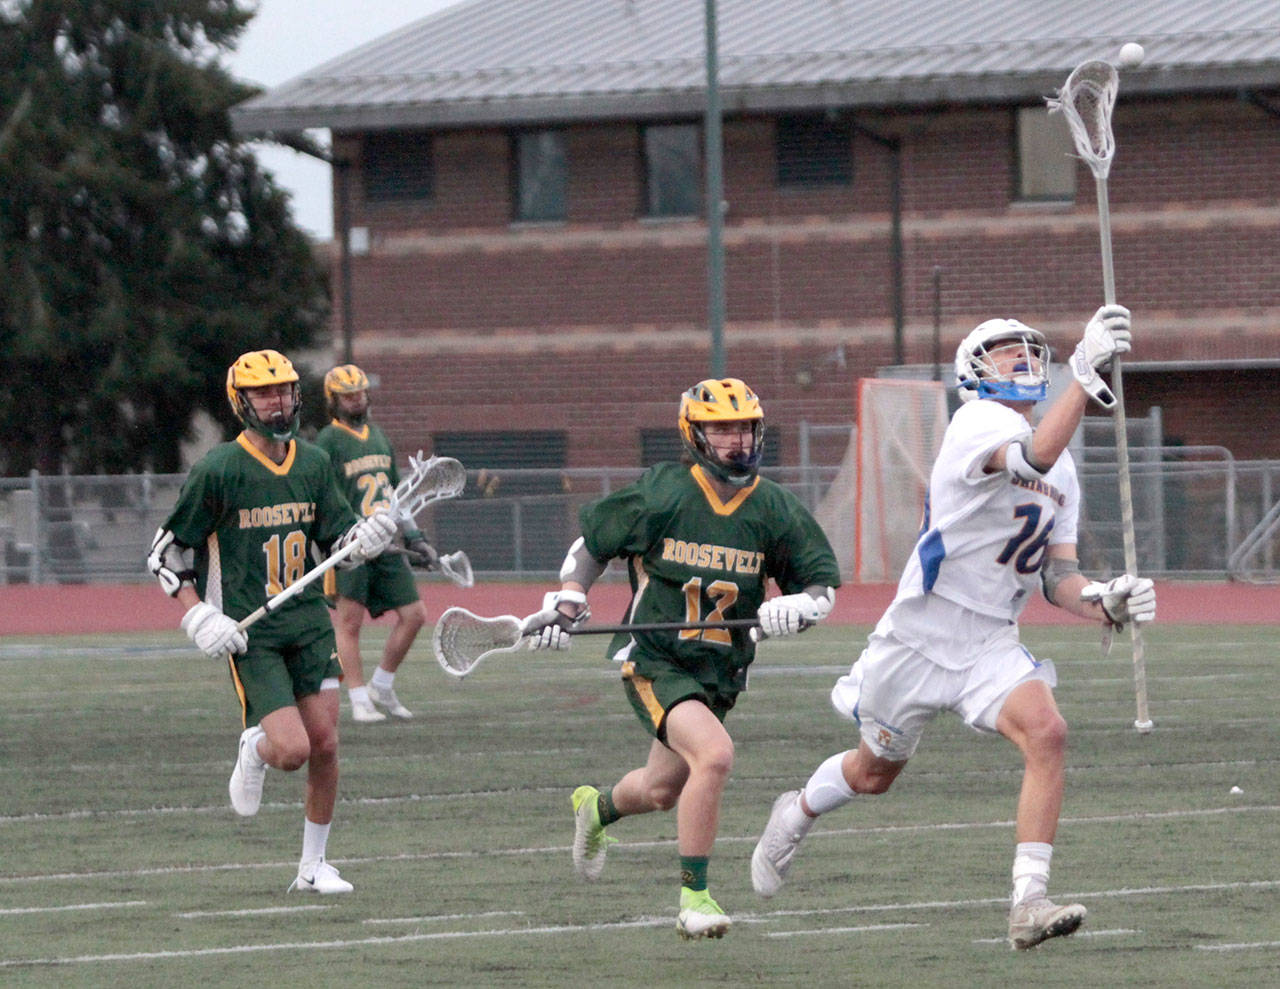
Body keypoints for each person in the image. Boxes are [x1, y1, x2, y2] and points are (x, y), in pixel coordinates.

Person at [750, 306, 1157, 950]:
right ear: (975, 370)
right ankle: (797, 811)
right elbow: (1034, 456)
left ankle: (1028, 902)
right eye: (1005, 352)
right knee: (874, 774)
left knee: (1048, 732)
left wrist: (1105, 601)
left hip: (990, 638)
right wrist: (1083, 376)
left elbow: (1058, 576)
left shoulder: (1066, 471)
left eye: (1029, 351)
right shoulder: (978, 421)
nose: (1022, 360)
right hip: (919, 633)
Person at [525, 378, 842, 940]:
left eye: (743, 428)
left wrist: (799, 606)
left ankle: (596, 809)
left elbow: (821, 584)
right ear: (695, 435)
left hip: (721, 670)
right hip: (658, 658)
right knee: (714, 756)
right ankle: (694, 898)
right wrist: (569, 599)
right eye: (722, 429)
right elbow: (592, 543)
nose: (736, 441)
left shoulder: (774, 507)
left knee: (659, 790)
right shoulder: (664, 492)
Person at [147, 350, 397, 893]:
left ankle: (313, 866)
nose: (276, 402)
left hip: (307, 620)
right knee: (291, 751)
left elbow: (336, 539)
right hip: (250, 630)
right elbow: (165, 552)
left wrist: (365, 538)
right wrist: (198, 614)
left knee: (325, 744)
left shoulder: (313, 462)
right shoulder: (218, 469)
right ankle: (254, 748)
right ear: (241, 402)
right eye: (263, 393)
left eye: (283, 390)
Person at [314, 364, 437, 724]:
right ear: (333, 400)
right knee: (349, 622)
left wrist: (414, 535)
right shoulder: (328, 441)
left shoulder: (379, 436)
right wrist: (350, 531)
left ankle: (381, 685)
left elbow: (395, 495)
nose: (356, 400)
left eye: (360, 393)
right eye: (348, 396)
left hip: (385, 542)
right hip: (350, 545)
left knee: (414, 615)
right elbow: (324, 495)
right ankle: (358, 699)